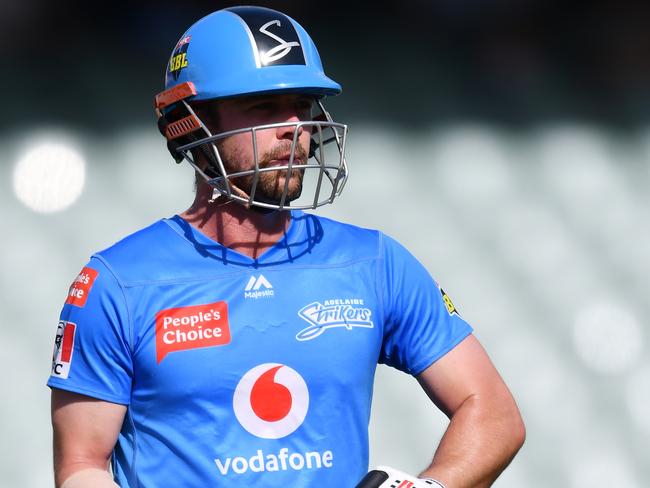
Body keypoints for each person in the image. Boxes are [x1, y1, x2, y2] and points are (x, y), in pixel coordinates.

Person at [48, 6, 525, 488]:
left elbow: (493, 412)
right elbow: (82, 467)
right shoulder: (117, 284)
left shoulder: (375, 263)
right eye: (264, 107)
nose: (296, 126)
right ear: (192, 124)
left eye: (304, 104)